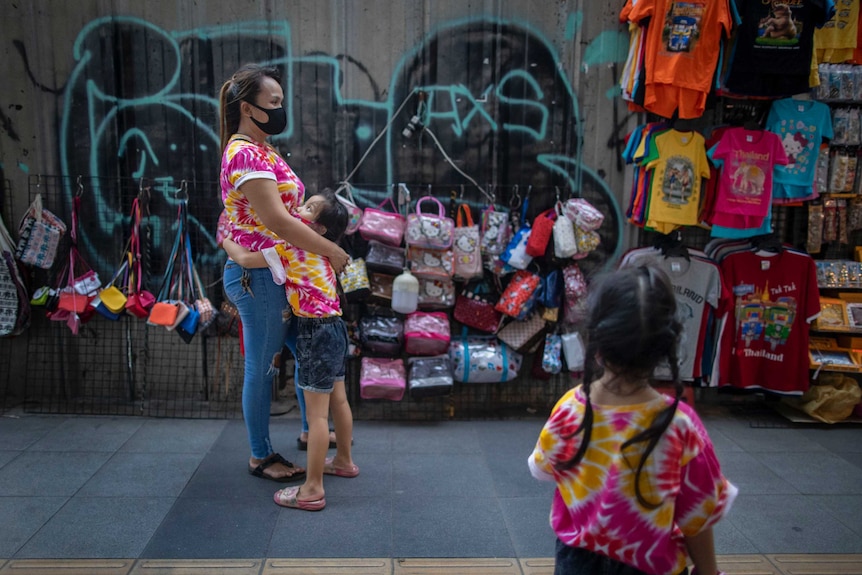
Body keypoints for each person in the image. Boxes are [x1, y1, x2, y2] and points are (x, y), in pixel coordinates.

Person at [528, 265, 737, 575]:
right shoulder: (679, 425)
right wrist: (709, 571)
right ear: (664, 348)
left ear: (597, 341)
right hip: (651, 565)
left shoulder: (571, 409)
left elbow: (542, 467)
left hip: (578, 564)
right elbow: (698, 515)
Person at [218, 63, 349, 483]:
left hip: (283, 276)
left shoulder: (265, 150)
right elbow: (278, 220)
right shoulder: (245, 154)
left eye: (280, 102)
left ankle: (315, 431)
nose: (279, 109)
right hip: (261, 279)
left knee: (304, 351)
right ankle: (261, 454)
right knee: (263, 365)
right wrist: (331, 250)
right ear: (247, 108)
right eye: (272, 103)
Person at [223, 188, 358, 512]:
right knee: (339, 400)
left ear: (318, 229)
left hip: (314, 331)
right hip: (336, 326)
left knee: (316, 416)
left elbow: (244, 259)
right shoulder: (324, 250)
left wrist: (227, 237)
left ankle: (312, 489)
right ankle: (343, 460)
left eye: (308, 208)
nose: (298, 208)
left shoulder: (293, 245)